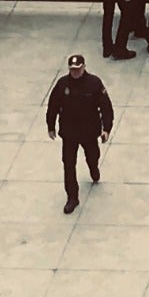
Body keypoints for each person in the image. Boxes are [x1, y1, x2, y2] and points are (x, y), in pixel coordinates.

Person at [45, 53, 114, 215]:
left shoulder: (94, 83)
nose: (75, 72)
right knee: (68, 165)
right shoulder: (62, 84)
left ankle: (94, 168)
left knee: (92, 155)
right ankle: (72, 198)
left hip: (89, 132)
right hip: (69, 133)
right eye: (72, 69)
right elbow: (53, 105)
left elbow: (106, 107)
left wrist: (106, 129)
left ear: (84, 67)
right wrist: (50, 126)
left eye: (78, 69)